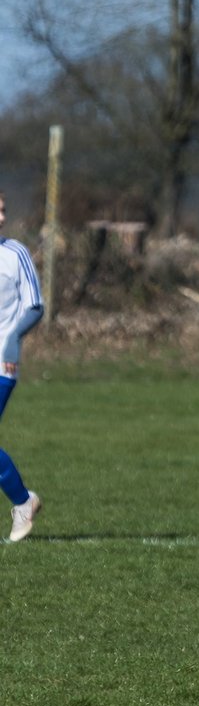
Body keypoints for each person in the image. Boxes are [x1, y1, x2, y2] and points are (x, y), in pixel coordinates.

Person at [0, 193, 44, 542]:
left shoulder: (15, 254)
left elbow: (35, 306)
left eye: (2, 210)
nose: (1, 218)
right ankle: (23, 501)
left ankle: (23, 502)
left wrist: (14, 337)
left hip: (2, 362)